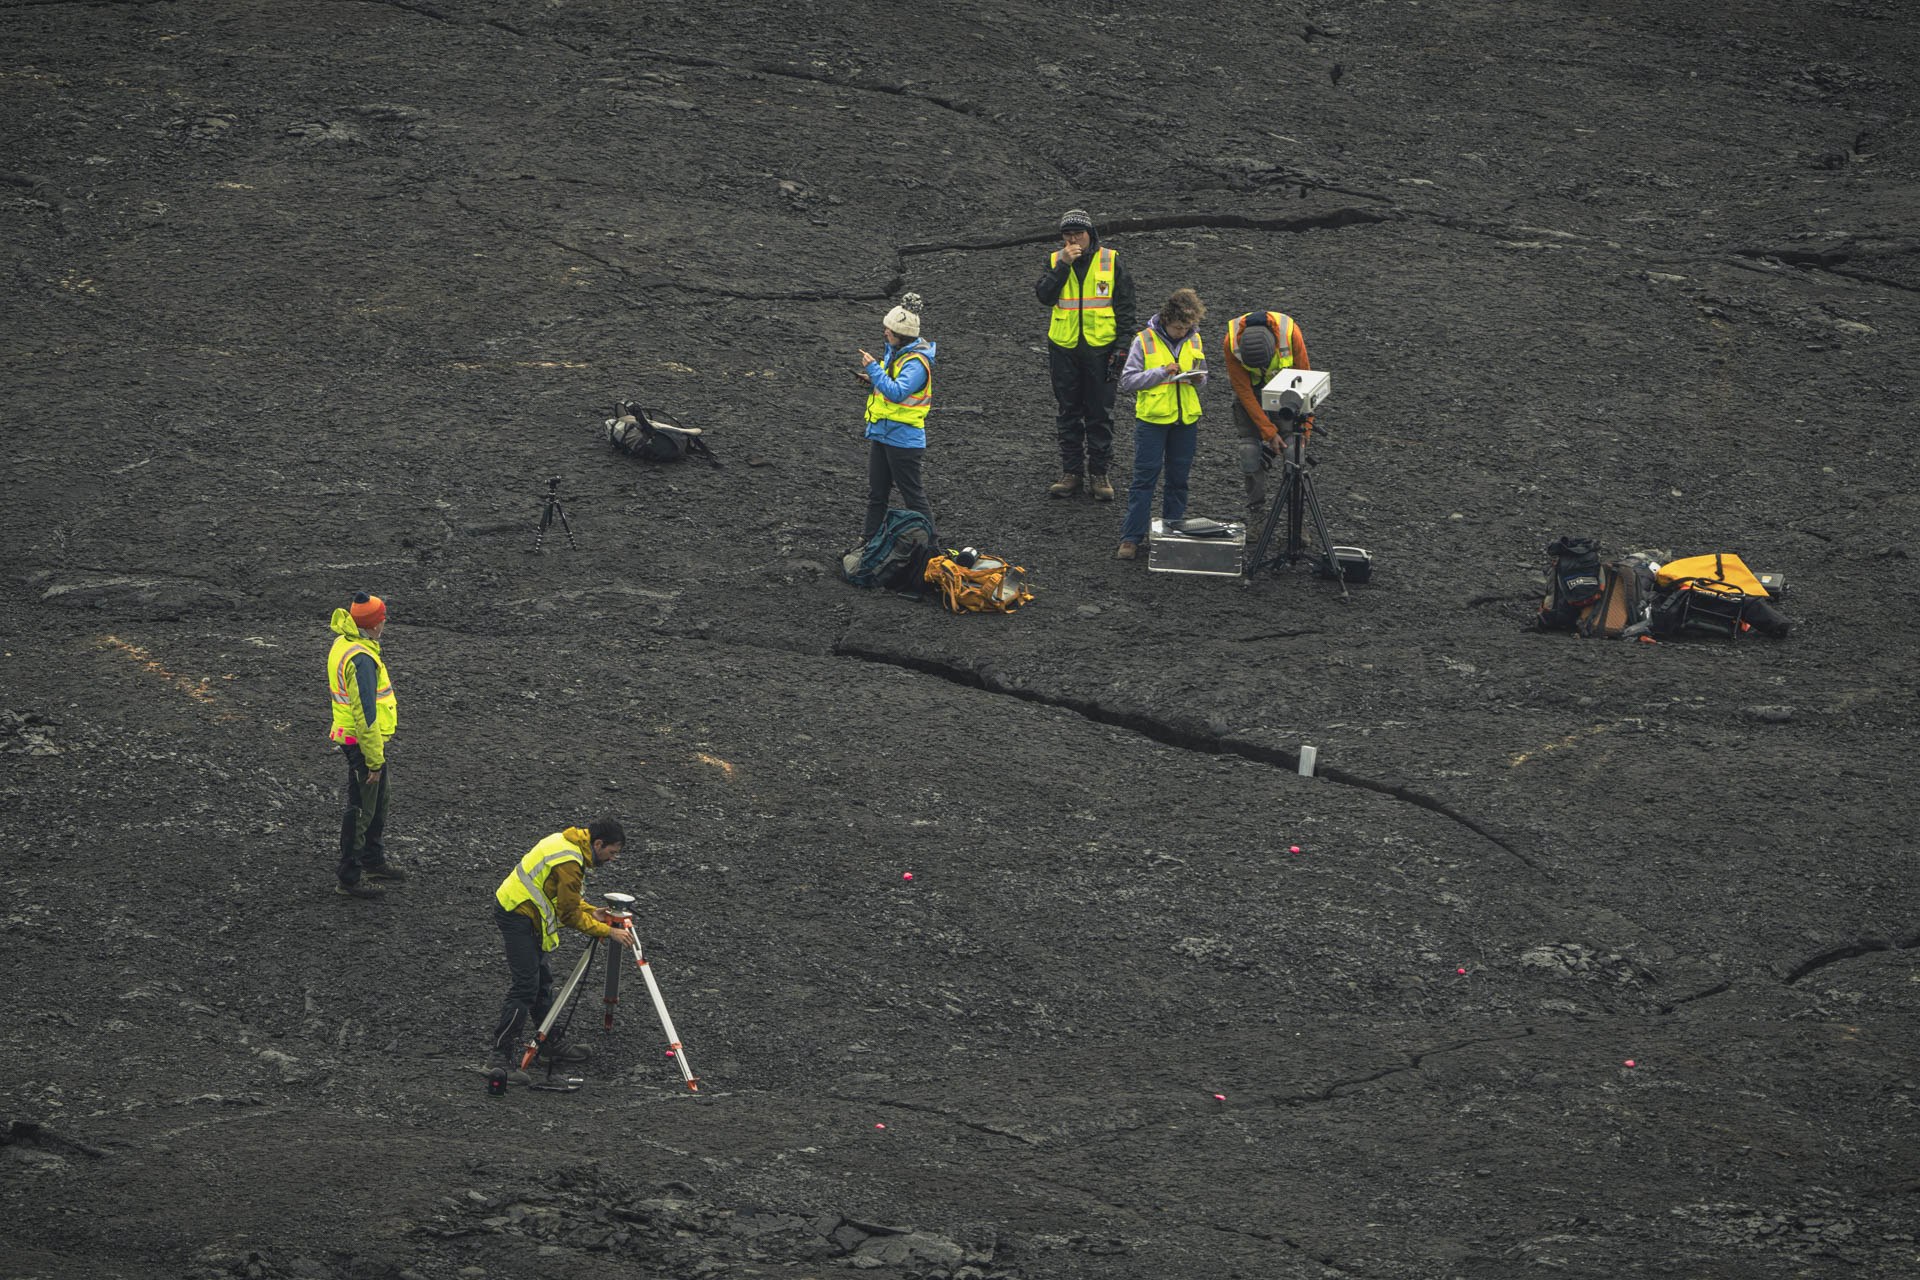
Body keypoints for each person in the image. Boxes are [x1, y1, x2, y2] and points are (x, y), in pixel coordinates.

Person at [485, 819, 637, 1083]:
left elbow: (562, 896)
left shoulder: (568, 844)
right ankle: (499, 1057)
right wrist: (608, 931)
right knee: (525, 987)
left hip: (526, 912)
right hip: (517, 914)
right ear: (598, 844)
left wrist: (592, 912)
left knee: (542, 981)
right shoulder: (570, 861)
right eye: (611, 853)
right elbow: (568, 914)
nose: (612, 859)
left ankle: (550, 1043)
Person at [1036, 208, 1136, 501]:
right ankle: (1071, 474)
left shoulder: (1112, 260)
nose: (1073, 239)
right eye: (1067, 235)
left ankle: (1099, 474)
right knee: (1068, 412)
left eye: (1078, 233)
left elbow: (1126, 306)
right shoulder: (1056, 260)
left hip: (1101, 349)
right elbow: (1044, 296)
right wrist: (1063, 266)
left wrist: (1121, 347)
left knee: (1100, 414)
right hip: (1064, 348)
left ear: (1090, 234)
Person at [1114, 288, 1209, 560]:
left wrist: (1198, 379)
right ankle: (1131, 539)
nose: (1182, 332)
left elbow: (1204, 376)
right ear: (1167, 319)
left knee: (1179, 481)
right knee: (1144, 480)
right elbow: (1128, 381)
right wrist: (1161, 372)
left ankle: (1172, 534)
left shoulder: (1195, 338)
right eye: (1179, 327)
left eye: (1187, 327)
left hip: (1185, 421)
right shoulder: (1143, 340)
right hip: (1152, 422)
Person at [325, 592, 404, 899]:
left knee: (379, 800)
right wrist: (373, 760)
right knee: (361, 809)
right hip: (362, 743)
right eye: (381, 618)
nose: (384, 622)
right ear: (372, 625)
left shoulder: (345, 643)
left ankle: (372, 860)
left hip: (362, 741)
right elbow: (366, 715)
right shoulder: (361, 659)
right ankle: (349, 878)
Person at [855, 303, 937, 541]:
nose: (885, 333)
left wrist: (873, 368)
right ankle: (866, 541)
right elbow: (889, 386)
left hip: (903, 440)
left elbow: (898, 392)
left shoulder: (916, 363)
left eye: (889, 330)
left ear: (902, 335)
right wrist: (873, 380)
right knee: (877, 494)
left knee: (913, 496)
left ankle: (933, 550)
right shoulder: (897, 354)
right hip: (883, 433)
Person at [1222, 309, 1313, 516]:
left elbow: (1307, 384)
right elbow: (1243, 390)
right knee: (1249, 452)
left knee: (1294, 451)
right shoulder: (1231, 342)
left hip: (1287, 391)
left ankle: (1296, 519)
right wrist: (1269, 432)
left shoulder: (1291, 334)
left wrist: (1305, 431)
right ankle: (1257, 514)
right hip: (1252, 393)